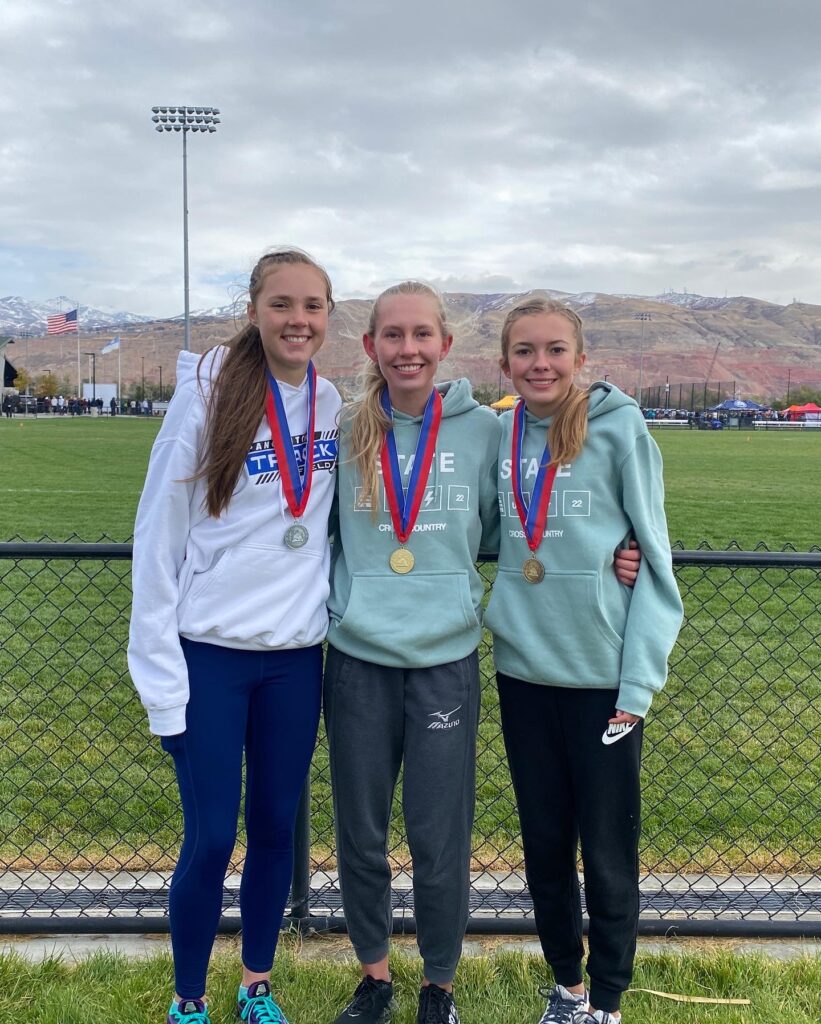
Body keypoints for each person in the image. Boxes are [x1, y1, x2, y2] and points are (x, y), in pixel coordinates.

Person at [324, 283, 640, 1024]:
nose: (407, 349)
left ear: (444, 347)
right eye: (392, 335)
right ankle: (374, 978)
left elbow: (517, 522)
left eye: (421, 335)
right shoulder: (342, 430)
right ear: (371, 347)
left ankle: (439, 984)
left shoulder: (482, 432)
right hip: (357, 656)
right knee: (361, 833)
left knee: (440, 835)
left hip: (446, 657)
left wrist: (606, 554)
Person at [127, 248, 341, 1024]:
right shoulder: (210, 394)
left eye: (312, 306)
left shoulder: (332, 401)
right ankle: (188, 999)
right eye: (282, 304)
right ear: (254, 308)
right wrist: (157, 673)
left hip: (293, 659)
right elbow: (158, 533)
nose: (298, 320)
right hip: (210, 656)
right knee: (212, 834)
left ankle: (256, 986)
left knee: (274, 830)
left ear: (328, 316)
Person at [484, 298, 683, 1024]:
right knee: (543, 843)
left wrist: (637, 681)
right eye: (525, 351)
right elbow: (473, 527)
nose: (540, 364)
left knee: (605, 846)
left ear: (579, 358)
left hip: (603, 679)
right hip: (522, 671)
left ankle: (606, 1001)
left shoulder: (620, 431)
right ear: (504, 363)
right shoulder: (499, 434)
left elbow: (654, 562)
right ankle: (565, 986)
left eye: (555, 350)